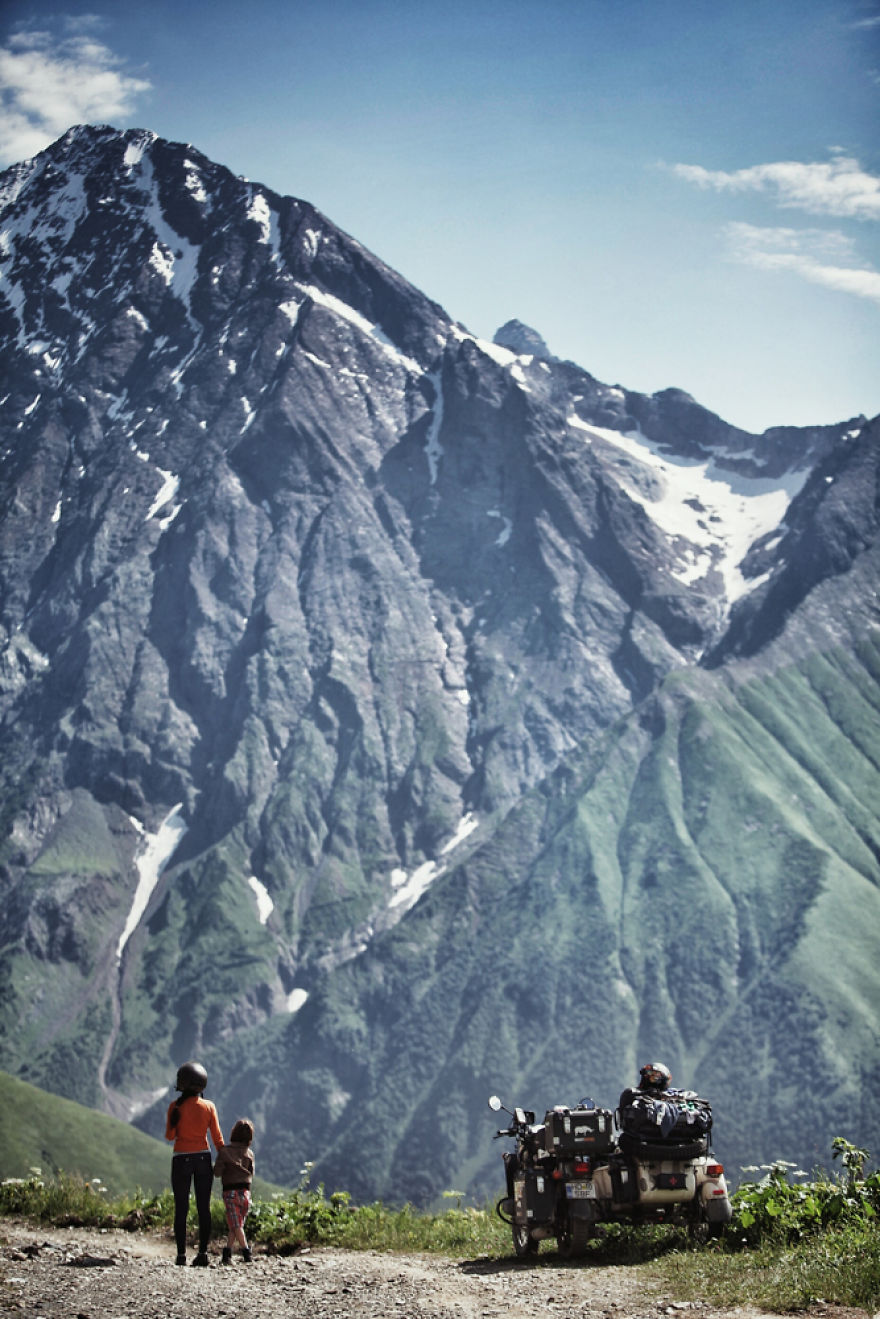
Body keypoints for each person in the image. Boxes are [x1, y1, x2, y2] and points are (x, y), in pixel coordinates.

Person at [165, 1060, 224, 1266]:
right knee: (203, 1207)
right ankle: (203, 1254)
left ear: (182, 1083)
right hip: (202, 1159)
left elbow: (170, 1136)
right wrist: (225, 1158)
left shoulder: (175, 1107)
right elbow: (217, 1138)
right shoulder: (209, 1107)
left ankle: (181, 1255)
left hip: (181, 1159)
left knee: (181, 1207)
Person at [213, 1117, 256, 1263]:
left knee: (236, 1225)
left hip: (230, 1193)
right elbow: (252, 1173)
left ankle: (246, 1251)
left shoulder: (225, 1152)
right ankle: (227, 1253)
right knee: (236, 1225)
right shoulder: (250, 1154)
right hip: (245, 1193)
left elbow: (217, 1173)